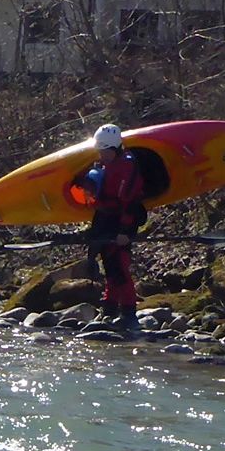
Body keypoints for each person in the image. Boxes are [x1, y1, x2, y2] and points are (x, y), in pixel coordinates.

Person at [83, 123, 147, 331]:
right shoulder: (106, 165)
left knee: (119, 266)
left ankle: (129, 314)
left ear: (112, 149)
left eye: (102, 151)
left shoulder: (127, 166)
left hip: (121, 222)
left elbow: (130, 203)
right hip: (105, 219)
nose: (100, 155)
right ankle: (109, 309)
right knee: (109, 266)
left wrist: (124, 232)